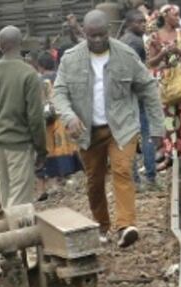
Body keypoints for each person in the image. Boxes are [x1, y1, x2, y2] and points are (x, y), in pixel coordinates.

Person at [54, 11, 164, 247]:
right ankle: (102, 225)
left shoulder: (125, 55)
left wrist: (157, 127)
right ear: (84, 32)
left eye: (101, 35)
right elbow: (59, 92)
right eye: (91, 36)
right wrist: (69, 116)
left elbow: (148, 89)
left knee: (122, 170)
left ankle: (126, 225)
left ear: (109, 32)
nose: (96, 40)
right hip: (87, 131)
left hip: (121, 127)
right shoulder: (70, 59)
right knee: (94, 181)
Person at [0, 26, 47, 209]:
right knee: (20, 201)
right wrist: (41, 149)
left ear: (0, 45)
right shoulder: (29, 74)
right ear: (20, 43)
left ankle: (8, 230)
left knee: (6, 194)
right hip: (20, 145)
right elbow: (35, 118)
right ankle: (14, 234)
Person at [147, 5, 181, 168]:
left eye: (178, 14)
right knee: (169, 120)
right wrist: (163, 54)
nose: (178, 17)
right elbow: (150, 62)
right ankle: (171, 156)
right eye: (174, 14)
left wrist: (179, 51)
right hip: (167, 83)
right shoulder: (155, 37)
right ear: (165, 16)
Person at [35, 51, 81, 200]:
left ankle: (55, 181)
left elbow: (41, 102)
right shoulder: (61, 77)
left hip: (50, 120)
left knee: (51, 149)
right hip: (64, 116)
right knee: (67, 146)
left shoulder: (41, 81)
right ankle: (68, 176)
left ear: (40, 66)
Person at [120, 10, 158, 189]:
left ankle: (135, 179)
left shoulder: (122, 40)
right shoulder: (135, 43)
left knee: (129, 136)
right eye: (139, 22)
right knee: (146, 133)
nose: (143, 25)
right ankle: (150, 177)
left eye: (144, 22)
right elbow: (137, 71)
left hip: (126, 94)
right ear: (129, 24)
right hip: (137, 93)